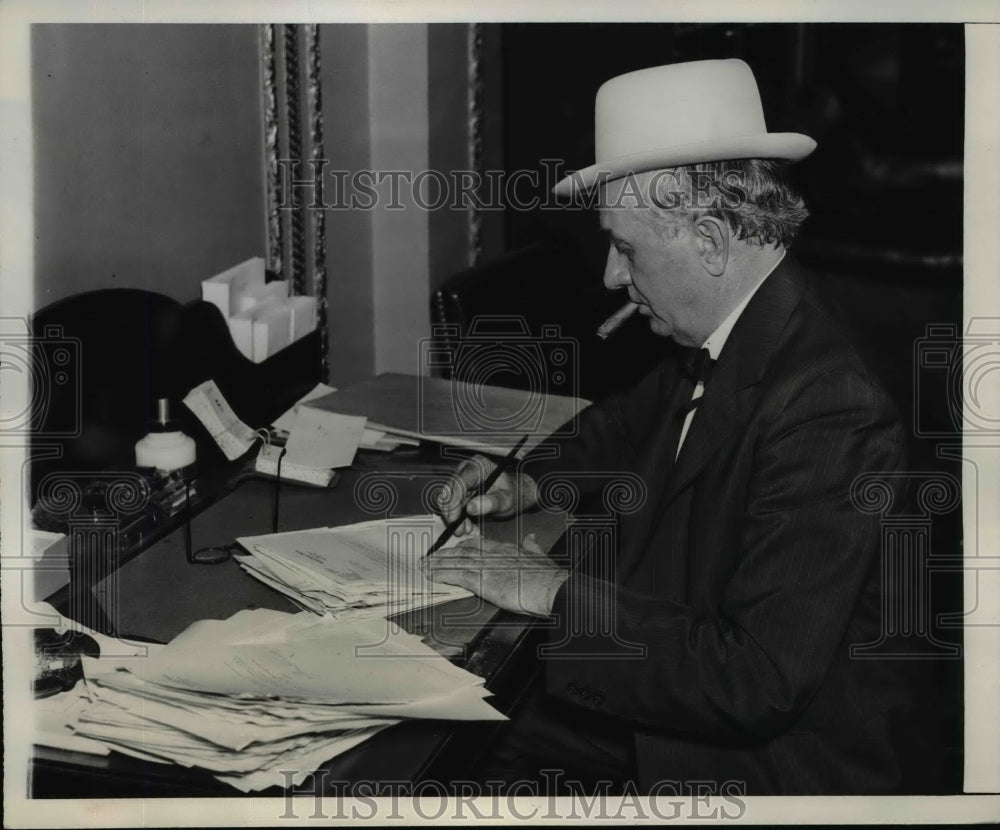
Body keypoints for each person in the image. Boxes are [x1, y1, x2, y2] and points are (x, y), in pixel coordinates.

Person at [427, 59, 927, 795]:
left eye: (626, 248)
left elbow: (754, 678)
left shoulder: (831, 407)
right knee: (466, 728)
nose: (611, 276)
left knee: (456, 743)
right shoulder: (741, 327)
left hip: (774, 769)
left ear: (711, 240)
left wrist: (552, 591)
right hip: (688, 674)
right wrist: (525, 481)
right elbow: (623, 426)